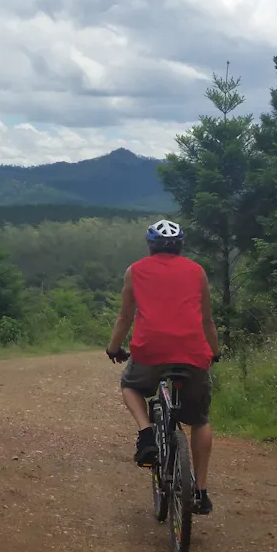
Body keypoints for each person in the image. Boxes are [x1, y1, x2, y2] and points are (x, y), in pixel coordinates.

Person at [105, 218, 221, 515]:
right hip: (194, 351)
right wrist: (215, 351)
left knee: (130, 386)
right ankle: (201, 491)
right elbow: (207, 320)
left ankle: (146, 433)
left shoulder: (135, 271)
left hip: (150, 350)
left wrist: (113, 348)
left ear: (150, 246)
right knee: (200, 419)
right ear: (181, 247)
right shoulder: (197, 272)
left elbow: (125, 316)